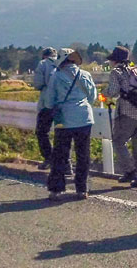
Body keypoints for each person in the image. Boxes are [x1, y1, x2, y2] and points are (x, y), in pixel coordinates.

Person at [43, 48, 97, 201]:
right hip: (84, 118)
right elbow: (92, 96)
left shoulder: (56, 76)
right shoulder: (85, 74)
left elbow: (49, 100)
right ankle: (82, 189)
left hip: (64, 119)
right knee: (83, 154)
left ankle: (56, 189)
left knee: (60, 154)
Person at [104, 46, 137, 188]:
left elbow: (112, 91)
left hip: (128, 113)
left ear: (115, 60)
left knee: (118, 141)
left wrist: (103, 93)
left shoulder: (116, 72)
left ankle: (130, 171)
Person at [32, 47, 59, 170]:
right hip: (62, 104)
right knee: (62, 134)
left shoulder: (43, 64)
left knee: (42, 132)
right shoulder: (62, 64)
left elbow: (37, 83)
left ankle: (49, 158)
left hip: (46, 103)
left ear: (44, 56)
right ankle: (64, 162)